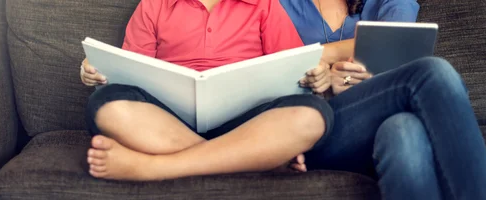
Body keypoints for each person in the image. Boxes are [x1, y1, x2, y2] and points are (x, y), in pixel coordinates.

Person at [80, 0, 334, 181]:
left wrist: (317, 72)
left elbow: (295, 66)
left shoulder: (263, 4)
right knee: (106, 103)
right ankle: (256, 159)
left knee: (312, 114)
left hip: (249, 120)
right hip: (165, 120)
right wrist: (98, 68)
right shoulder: (153, 4)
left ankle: (152, 167)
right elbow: (129, 71)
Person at [281, 0, 486, 199]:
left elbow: (399, 44)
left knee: (403, 130)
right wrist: (326, 81)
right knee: (434, 73)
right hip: (322, 129)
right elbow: (274, 63)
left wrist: (326, 63)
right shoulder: (282, 4)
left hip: (385, 113)